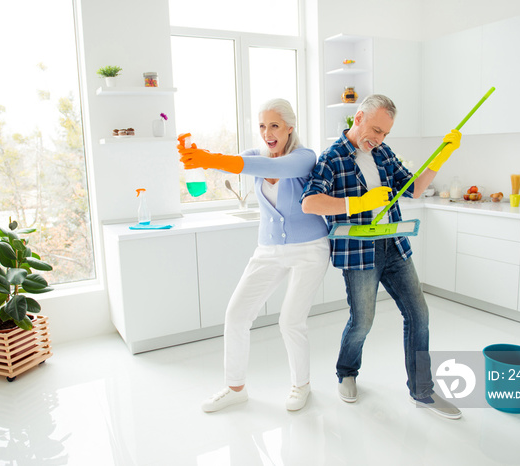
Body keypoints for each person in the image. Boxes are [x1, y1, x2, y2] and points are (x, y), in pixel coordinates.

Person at [301, 94, 463, 420]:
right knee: (363, 321)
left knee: (419, 315)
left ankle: (422, 391)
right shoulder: (332, 158)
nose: (378, 139)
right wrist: (356, 204)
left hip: (394, 247)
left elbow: (414, 189)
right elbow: (310, 203)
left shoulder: (383, 153)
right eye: (375, 129)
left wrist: (440, 157)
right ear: (357, 118)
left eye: (385, 134)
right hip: (360, 254)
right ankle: (346, 371)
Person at [177, 98, 330, 412]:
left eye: (274, 125)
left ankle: (301, 386)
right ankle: (235, 388)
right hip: (269, 249)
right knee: (236, 315)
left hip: (310, 248)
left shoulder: (304, 157)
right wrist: (199, 158)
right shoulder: (254, 156)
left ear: (290, 127)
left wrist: (210, 158)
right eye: (262, 125)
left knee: (290, 321)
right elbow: (241, 162)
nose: (267, 132)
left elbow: (273, 168)